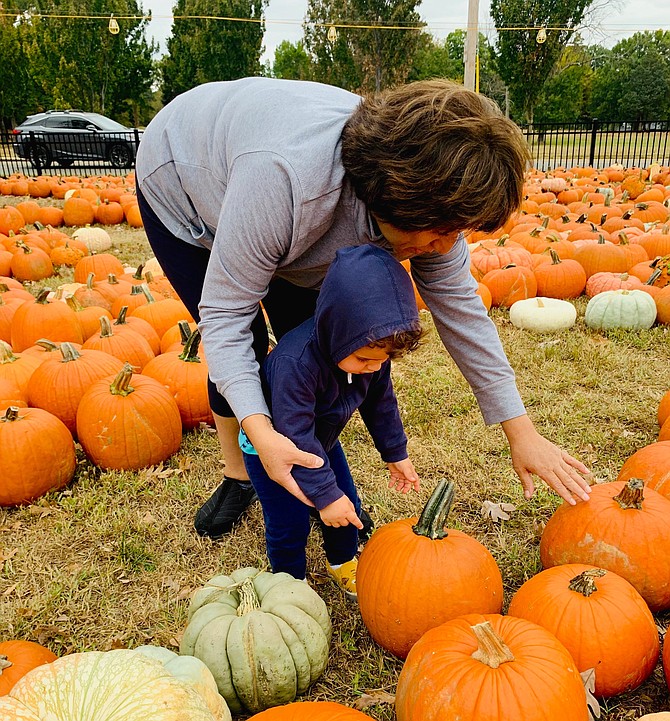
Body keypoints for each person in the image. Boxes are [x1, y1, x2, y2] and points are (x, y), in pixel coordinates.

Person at [135, 77, 592, 540]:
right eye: (442, 232)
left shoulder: (431, 213)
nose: (447, 246)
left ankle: (318, 481)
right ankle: (240, 473)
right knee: (249, 352)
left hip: (279, 201)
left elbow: (461, 309)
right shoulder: (286, 181)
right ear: (397, 196)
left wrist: (521, 431)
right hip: (184, 184)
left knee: (321, 352)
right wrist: (262, 430)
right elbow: (226, 316)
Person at [240, 244, 423, 598]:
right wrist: (323, 496)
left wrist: (395, 453)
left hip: (319, 441)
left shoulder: (371, 356)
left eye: (380, 361)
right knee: (289, 521)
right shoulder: (296, 364)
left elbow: (380, 403)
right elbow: (294, 435)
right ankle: (290, 583)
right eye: (363, 359)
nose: (372, 367)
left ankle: (342, 561)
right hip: (276, 449)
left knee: (347, 505)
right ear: (336, 329)